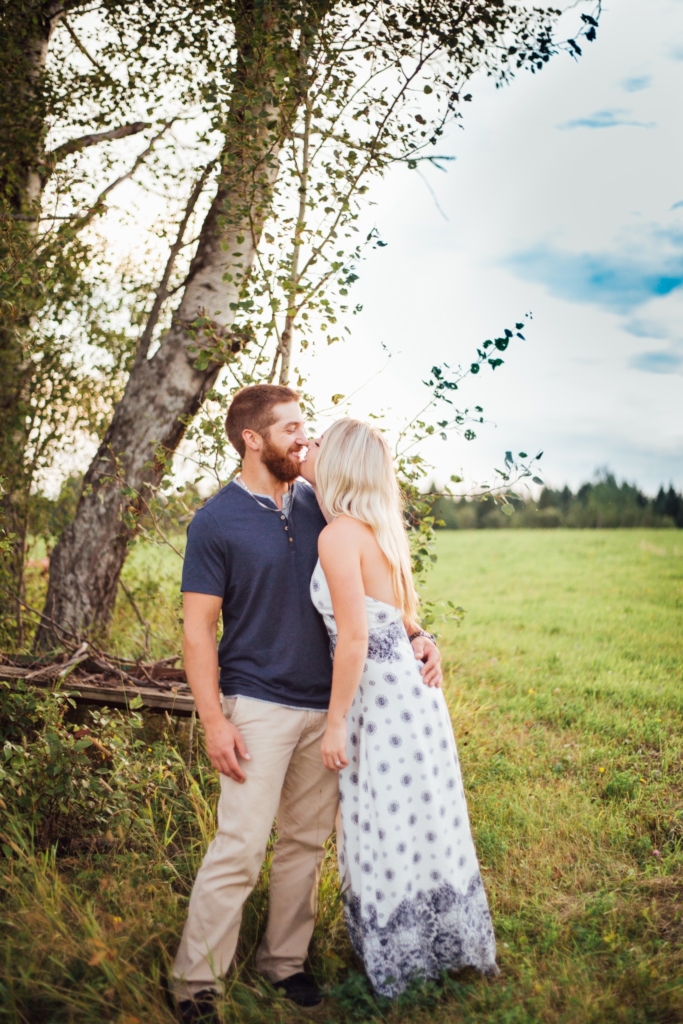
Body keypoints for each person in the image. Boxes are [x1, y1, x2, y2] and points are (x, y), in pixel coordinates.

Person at [171, 385, 442, 1023]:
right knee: (240, 846)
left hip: (327, 708)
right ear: (252, 439)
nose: (303, 438)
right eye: (290, 428)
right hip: (256, 706)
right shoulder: (215, 522)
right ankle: (195, 984)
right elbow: (197, 631)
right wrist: (213, 719)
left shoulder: (322, 504)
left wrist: (418, 634)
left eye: (305, 426)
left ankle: (284, 963)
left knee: (304, 843)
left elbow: (372, 591)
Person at [299, 418, 498, 997]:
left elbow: (355, 637)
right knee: (420, 817)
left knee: (386, 821)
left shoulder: (338, 536)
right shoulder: (375, 527)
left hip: (380, 702)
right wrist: (423, 636)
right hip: (411, 698)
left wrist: (335, 723)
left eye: (318, 443)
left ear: (338, 462)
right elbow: (398, 616)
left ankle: (405, 954)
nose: (308, 446)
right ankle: (439, 942)